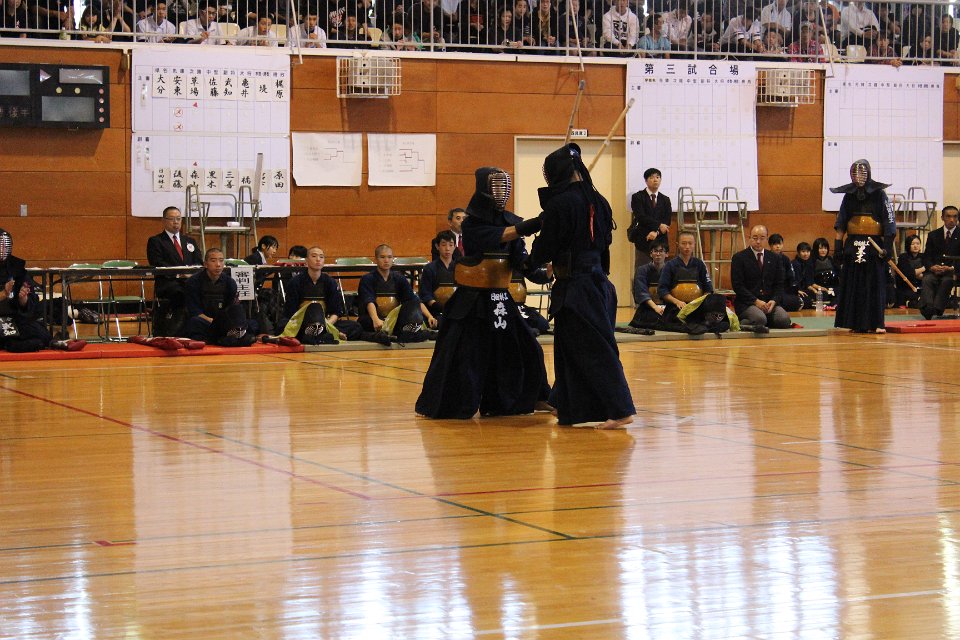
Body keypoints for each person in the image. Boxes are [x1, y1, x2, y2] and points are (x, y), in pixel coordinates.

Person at [415, 167, 551, 419]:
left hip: (501, 298)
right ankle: (452, 404)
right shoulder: (472, 225)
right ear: (483, 189)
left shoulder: (512, 222)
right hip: (472, 301)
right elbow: (497, 236)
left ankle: (534, 397)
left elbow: (521, 263)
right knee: (466, 355)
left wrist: (546, 268)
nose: (501, 192)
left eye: (504, 186)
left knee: (529, 347)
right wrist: (532, 224)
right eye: (495, 186)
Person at [525, 144, 634, 429]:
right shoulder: (599, 200)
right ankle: (568, 404)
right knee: (570, 347)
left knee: (595, 350)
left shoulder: (560, 204)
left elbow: (544, 249)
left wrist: (529, 261)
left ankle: (621, 409)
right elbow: (603, 244)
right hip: (598, 284)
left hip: (577, 288)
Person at [831, 159, 896, 334]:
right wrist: (838, 247)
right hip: (853, 244)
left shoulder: (879, 194)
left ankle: (876, 323)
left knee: (873, 284)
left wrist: (887, 247)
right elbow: (841, 223)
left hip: (874, 245)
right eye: (855, 173)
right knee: (854, 284)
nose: (858, 177)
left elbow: (889, 221)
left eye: (862, 173)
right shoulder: (849, 196)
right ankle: (854, 322)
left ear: (868, 173)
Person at [0, 229, 85, 353]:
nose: (2, 250)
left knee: (39, 332)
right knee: (11, 336)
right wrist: (4, 294)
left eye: (4, 246)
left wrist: (23, 299)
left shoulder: (16, 269)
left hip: (12, 318)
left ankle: (54, 343)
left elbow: (29, 302)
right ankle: (15, 344)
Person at [278, 246, 364, 344]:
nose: (318, 259)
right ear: (306, 261)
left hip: (325, 323)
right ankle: (327, 335)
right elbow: (291, 312)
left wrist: (326, 325)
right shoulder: (296, 282)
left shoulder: (330, 282)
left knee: (356, 327)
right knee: (282, 326)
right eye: (314, 256)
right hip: (301, 323)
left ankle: (319, 334)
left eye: (321, 257)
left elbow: (335, 312)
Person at [357, 244, 437, 343]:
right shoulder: (367, 279)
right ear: (376, 259)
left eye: (389, 257)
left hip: (393, 319)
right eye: (382, 257)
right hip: (374, 319)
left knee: (413, 305)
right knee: (364, 323)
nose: (386, 260)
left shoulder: (399, 278)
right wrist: (375, 319)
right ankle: (404, 335)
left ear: (393, 259)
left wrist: (429, 316)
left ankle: (398, 334)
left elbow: (414, 300)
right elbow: (369, 301)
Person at [181, 248, 258, 346]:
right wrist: (213, 321)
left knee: (252, 323)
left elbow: (232, 308)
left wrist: (230, 322)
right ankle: (232, 339)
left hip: (224, 322)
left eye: (221, 261)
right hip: (206, 321)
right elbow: (194, 311)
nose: (218, 264)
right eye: (213, 261)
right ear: (205, 264)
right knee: (194, 323)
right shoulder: (193, 282)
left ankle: (228, 338)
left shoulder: (230, 282)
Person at [146, 206, 204, 336]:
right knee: (181, 293)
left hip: (190, 281)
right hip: (168, 282)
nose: (176, 222)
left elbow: (199, 262)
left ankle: (200, 328)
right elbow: (156, 262)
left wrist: (190, 274)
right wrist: (179, 273)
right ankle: (177, 330)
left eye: (178, 218)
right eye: (172, 219)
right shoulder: (156, 241)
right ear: (163, 221)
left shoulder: (189, 241)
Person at [731, 225, 791, 330]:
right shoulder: (739, 258)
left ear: (767, 239)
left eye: (762, 238)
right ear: (749, 238)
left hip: (768, 303)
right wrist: (756, 301)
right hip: (747, 303)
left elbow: (779, 284)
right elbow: (738, 286)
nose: (758, 241)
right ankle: (745, 322)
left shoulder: (775, 258)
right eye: (755, 238)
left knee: (784, 320)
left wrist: (774, 300)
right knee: (760, 319)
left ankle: (764, 321)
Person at [658, 230, 713, 331]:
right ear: (677, 245)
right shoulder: (670, 265)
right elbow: (662, 290)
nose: (687, 246)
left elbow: (708, 288)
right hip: (676, 307)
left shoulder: (700, 264)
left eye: (690, 243)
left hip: (696, 306)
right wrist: (677, 302)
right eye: (683, 243)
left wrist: (698, 303)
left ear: (694, 244)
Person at [919, 206, 960, 319]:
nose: (952, 220)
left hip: (954, 272)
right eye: (948, 216)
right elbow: (926, 257)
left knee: (947, 281)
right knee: (927, 279)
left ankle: (937, 309)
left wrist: (952, 268)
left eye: (955, 217)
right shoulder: (933, 235)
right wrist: (932, 267)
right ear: (942, 218)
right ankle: (927, 307)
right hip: (935, 271)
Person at [628, 238, 668, 330]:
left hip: (666, 307)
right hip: (648, 307)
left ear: (666, 254)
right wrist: (655, 307)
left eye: (661, 251)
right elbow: (641, 292)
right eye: (655, 251)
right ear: (651, 254)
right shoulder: (642, 270)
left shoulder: (670, 270)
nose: (658, 254)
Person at [420, 230, 458, 319]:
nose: (447, 248)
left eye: (451, 245)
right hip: (435, 312)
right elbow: (425, 294)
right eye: (444, 245)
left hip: (456, 311)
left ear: (455, 246)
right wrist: (438, 307)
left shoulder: (460, 268)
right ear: (437, 246)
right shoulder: (429, 268)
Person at [769, 233, 805, 311]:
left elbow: (791, 277)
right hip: (772, 290)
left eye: (779, 244)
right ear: (770, 245)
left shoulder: (785, 259)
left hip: (785, 289)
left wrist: (796, 289)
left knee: (802, 299)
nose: (777, 246)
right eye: (775, 244)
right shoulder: (767, 258)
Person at [896, 234, 924, 308]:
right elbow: (908, 274)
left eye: (918, 243)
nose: (915, 246)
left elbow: (928, 273)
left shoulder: (923, 256)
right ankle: (909, 303)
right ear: (908, 245)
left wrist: (916, 273)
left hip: (921, 287)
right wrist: (923, 268)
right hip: (906, 287)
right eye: (913, 244)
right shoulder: (903, 257)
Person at [808, 236, 837, 306]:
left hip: (832, 287)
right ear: (816, 249)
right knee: (823, 296)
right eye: (820, 248)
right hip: (819, 289)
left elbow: (838, 274)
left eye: (825, 248)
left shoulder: (830, 259)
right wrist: (821, 288)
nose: (823, 250)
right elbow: (810, 282)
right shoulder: (811, 261)